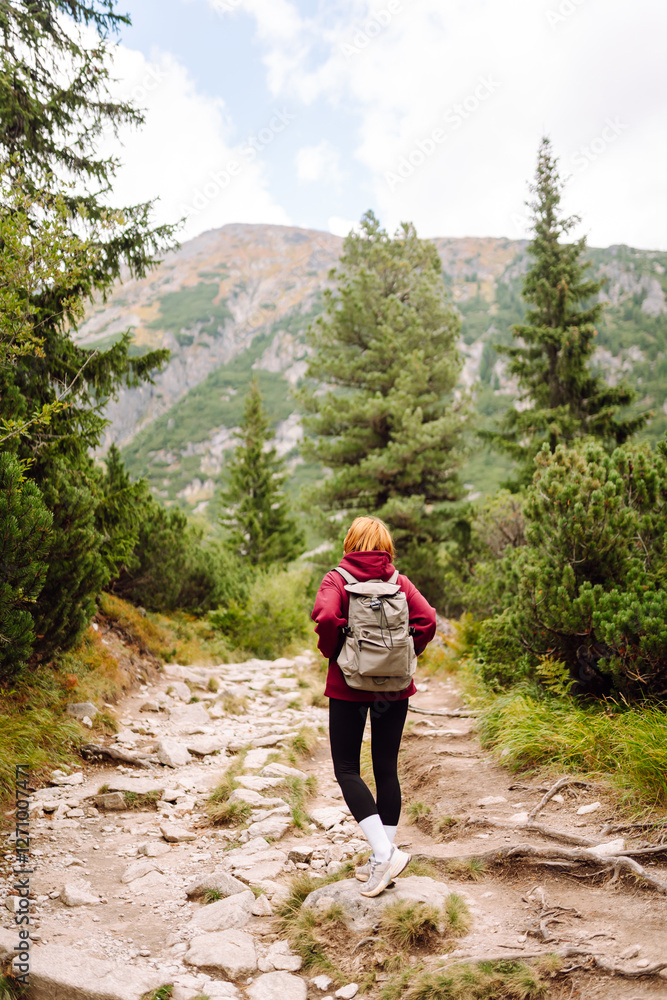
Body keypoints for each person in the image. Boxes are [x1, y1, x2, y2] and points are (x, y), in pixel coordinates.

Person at [311, 515, 437, 897]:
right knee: (385, 768)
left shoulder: (337, 579)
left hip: (348, 686)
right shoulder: (398, 581)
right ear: (385, 547)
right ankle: (384, 858)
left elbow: (326, 617)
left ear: (350, 543)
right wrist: (404, 654)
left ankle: (384, 854)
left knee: (347, 768)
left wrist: (335, 652)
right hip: (393, 690)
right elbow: (428, 619)